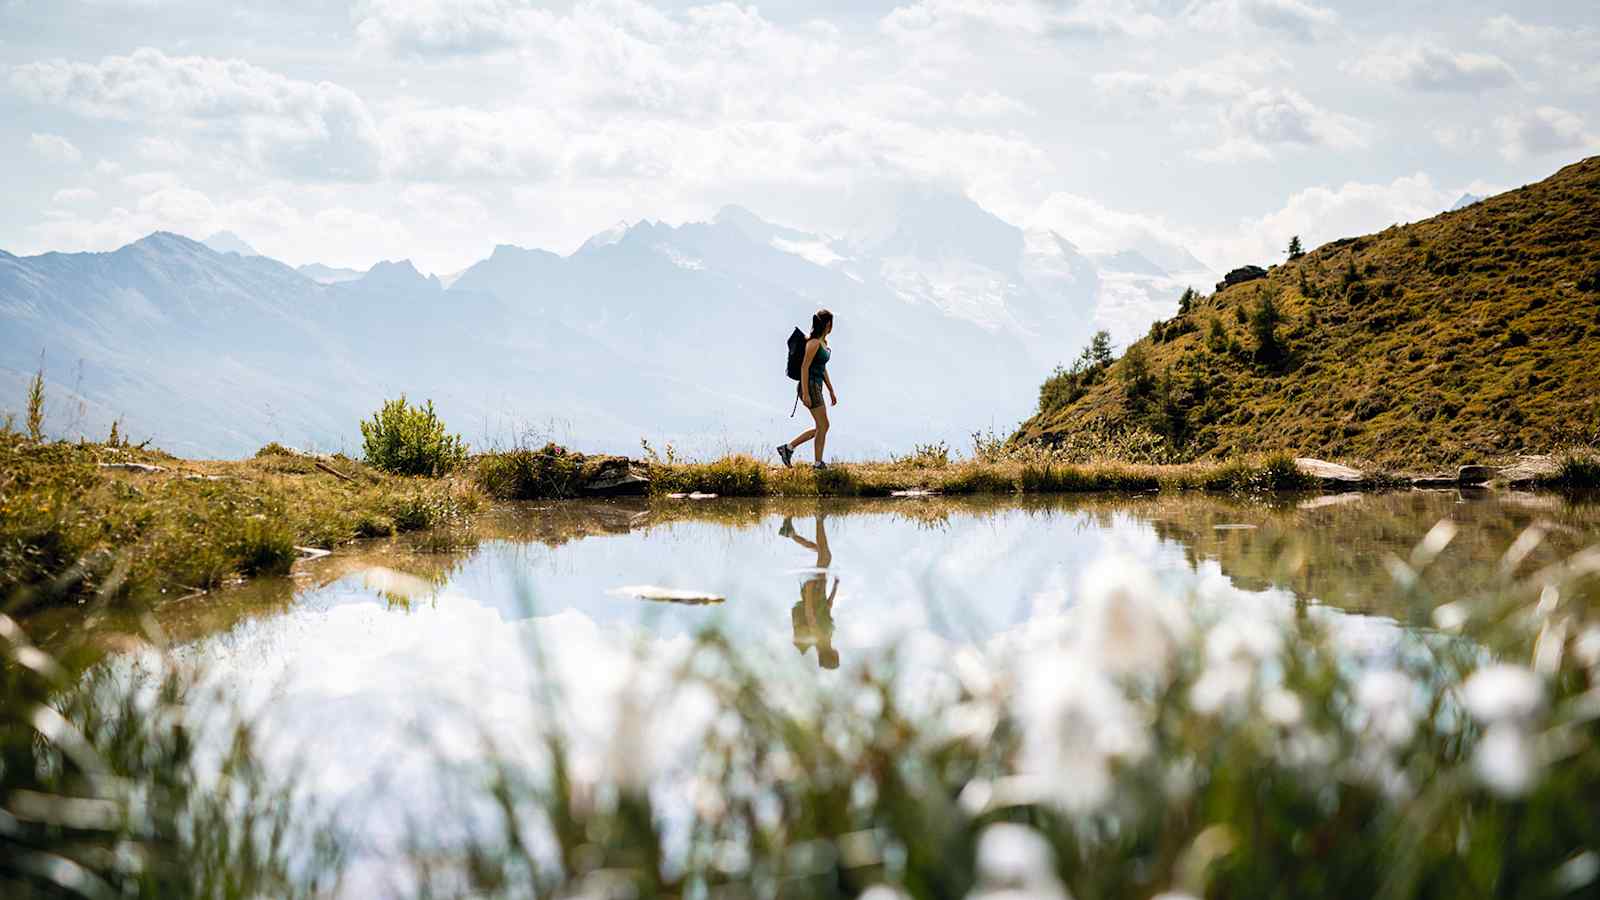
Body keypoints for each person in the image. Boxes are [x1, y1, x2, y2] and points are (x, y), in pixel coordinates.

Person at [778, 512, 840, 670]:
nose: (838, 655)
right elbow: (828, 607)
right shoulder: (826, 639)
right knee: (821, 551)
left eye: (836, 658)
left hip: (815, 590)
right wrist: (835, 587)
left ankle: (819, 518)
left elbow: (810, 614)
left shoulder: (820, 638)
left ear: (831, 655)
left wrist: (809, 592)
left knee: (825, 555)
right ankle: (791, 533)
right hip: (821, 589)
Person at [777, 309, 837, 469]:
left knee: (821, 426)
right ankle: (817, 464)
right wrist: (805, 392)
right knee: (823, 425)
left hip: (816, 386)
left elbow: (822, 368)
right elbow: (804, 367)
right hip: (809, 386)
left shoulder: (824, 344)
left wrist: (830, 389)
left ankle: (788, 448)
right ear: (828, 324)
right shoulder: (813, 343)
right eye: (831, 323)